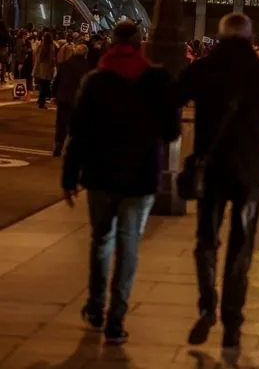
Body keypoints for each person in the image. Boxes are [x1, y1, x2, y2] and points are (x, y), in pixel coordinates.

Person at [176, 13, 259, 351]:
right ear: (249, 37)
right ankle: (233, 321)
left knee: (206, 241)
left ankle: (206, 305)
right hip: (249, 175)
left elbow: (170, 99)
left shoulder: (202, 69)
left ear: (220, 35)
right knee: (241, 246)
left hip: (211, 172)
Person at [60, 21, 180, 345]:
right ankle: (116, 318)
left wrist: (69, 177)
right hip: (140, 177)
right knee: (128, 246)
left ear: (112, 44)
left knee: (101, 241)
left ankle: (96, 307)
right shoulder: (156, 80)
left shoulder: (95, 80)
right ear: (141, 44)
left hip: (100, 175)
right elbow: (171, 132)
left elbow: (79, 132)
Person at [51, 44, 90, 156]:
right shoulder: (87, 67)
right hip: (78, 100)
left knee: (61, 123)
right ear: (85, 54)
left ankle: (59, 142)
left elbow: (56, 81)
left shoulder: (65, 65)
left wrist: (54, 95)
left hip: (63, 98)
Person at [33, 32, 57, 108]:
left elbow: (36, 53)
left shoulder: (41, 45)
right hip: (47, 68)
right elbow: (52, 58)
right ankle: (42, 103)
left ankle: (40, 100)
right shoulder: (51, 46)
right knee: (46, 85)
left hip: (40, 67)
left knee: (42, 85)